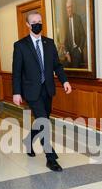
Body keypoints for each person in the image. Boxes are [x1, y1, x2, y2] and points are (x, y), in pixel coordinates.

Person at [12, 11, 73, 172]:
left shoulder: (49, 43)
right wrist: (16, 92)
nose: (37, 24)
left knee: (42, 120)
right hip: (31, 91)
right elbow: (17, 71)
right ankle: (50, 157)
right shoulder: (20, 45)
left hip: (47, 89)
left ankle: (28, 140)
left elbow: (57, 65)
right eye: (34, 22)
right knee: (44, 122)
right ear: (28, 25)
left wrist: (64, 80)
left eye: (39, 21)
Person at [64, 0, 86, 68]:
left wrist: (80, 49)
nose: (69, 9)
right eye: (68, 7)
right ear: (66, 9)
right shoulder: (66, 21)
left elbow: (83, 35)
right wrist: (67, 52)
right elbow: (66, 40)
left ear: (72, 7)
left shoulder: (77, 18)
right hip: (69, 52)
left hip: (77, 51)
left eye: (70, 7)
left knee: (77, 71)